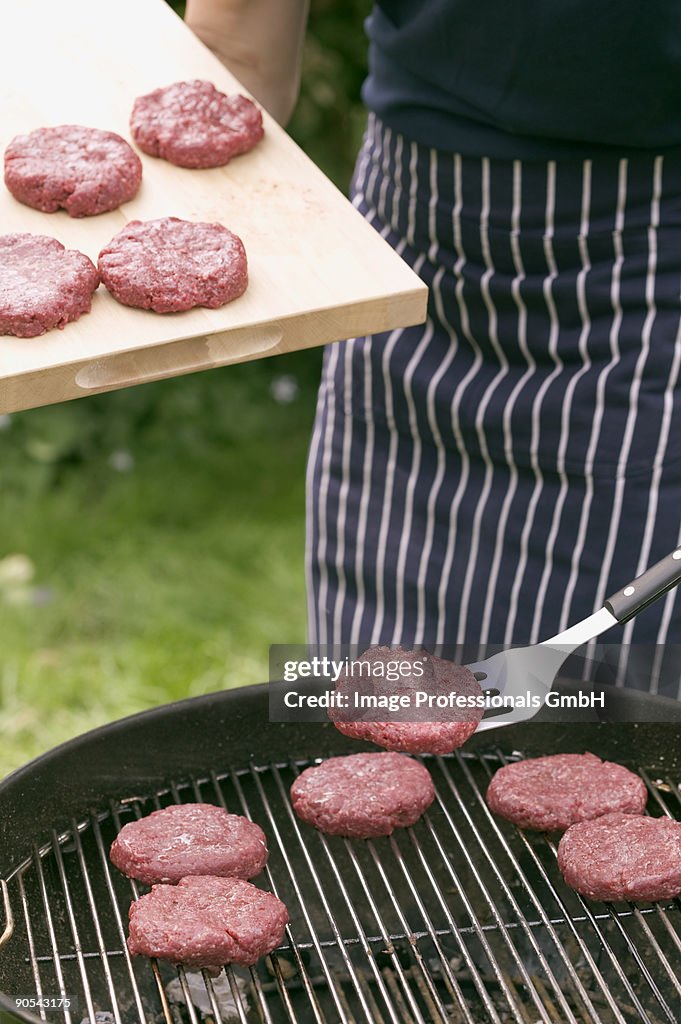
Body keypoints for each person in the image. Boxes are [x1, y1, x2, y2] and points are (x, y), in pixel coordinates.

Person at [185, 0, 681, 696]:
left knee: (620, 733)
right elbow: (237, 49)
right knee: (375, 707)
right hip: (416, 225)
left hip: (656, 251)